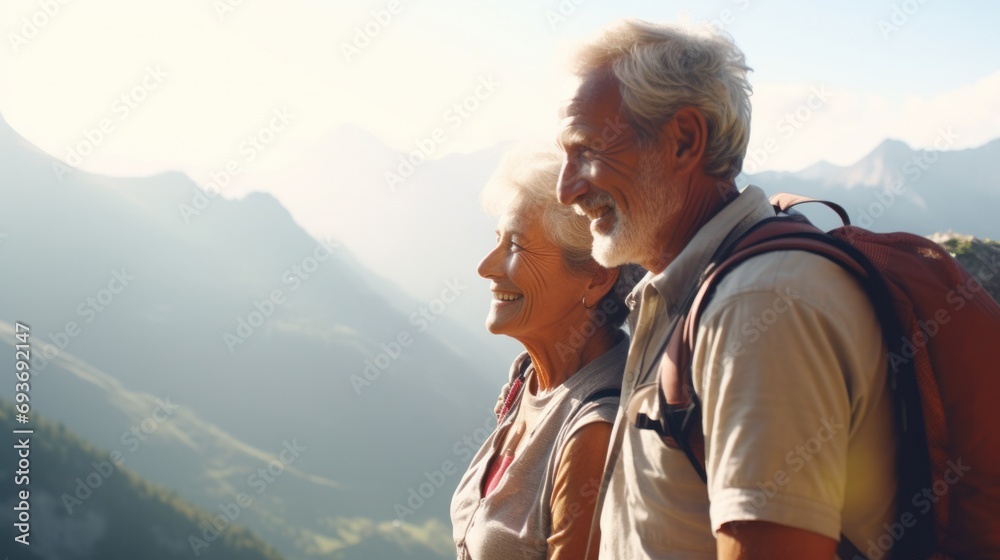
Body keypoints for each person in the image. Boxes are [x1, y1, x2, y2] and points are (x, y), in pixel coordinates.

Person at [555, 19, 897, 559]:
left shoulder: (757, 307)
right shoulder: (688, 291)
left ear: (685, 140)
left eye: (587, 151)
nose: (566, 188)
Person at [450, 145, 644, 560]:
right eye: (497, 241)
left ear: (595, 278)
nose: (486, 266)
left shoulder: (593, 431)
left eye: (516, 246)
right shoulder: (530, 379)